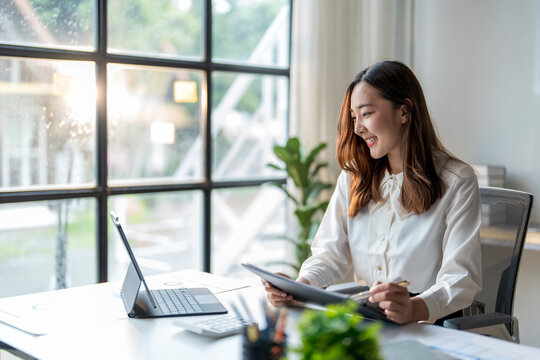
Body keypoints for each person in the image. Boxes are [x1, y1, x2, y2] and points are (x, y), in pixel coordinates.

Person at [263, 60, 482, 325]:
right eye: (354, 118)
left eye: (366, 114)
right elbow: (329, 254)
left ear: (404, 112)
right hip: (368, 325)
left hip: (428, 329)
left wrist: (414, 308)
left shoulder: (457, 181)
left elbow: (461, 279)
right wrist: (300, 285)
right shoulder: (354, 176)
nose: (357, 129)